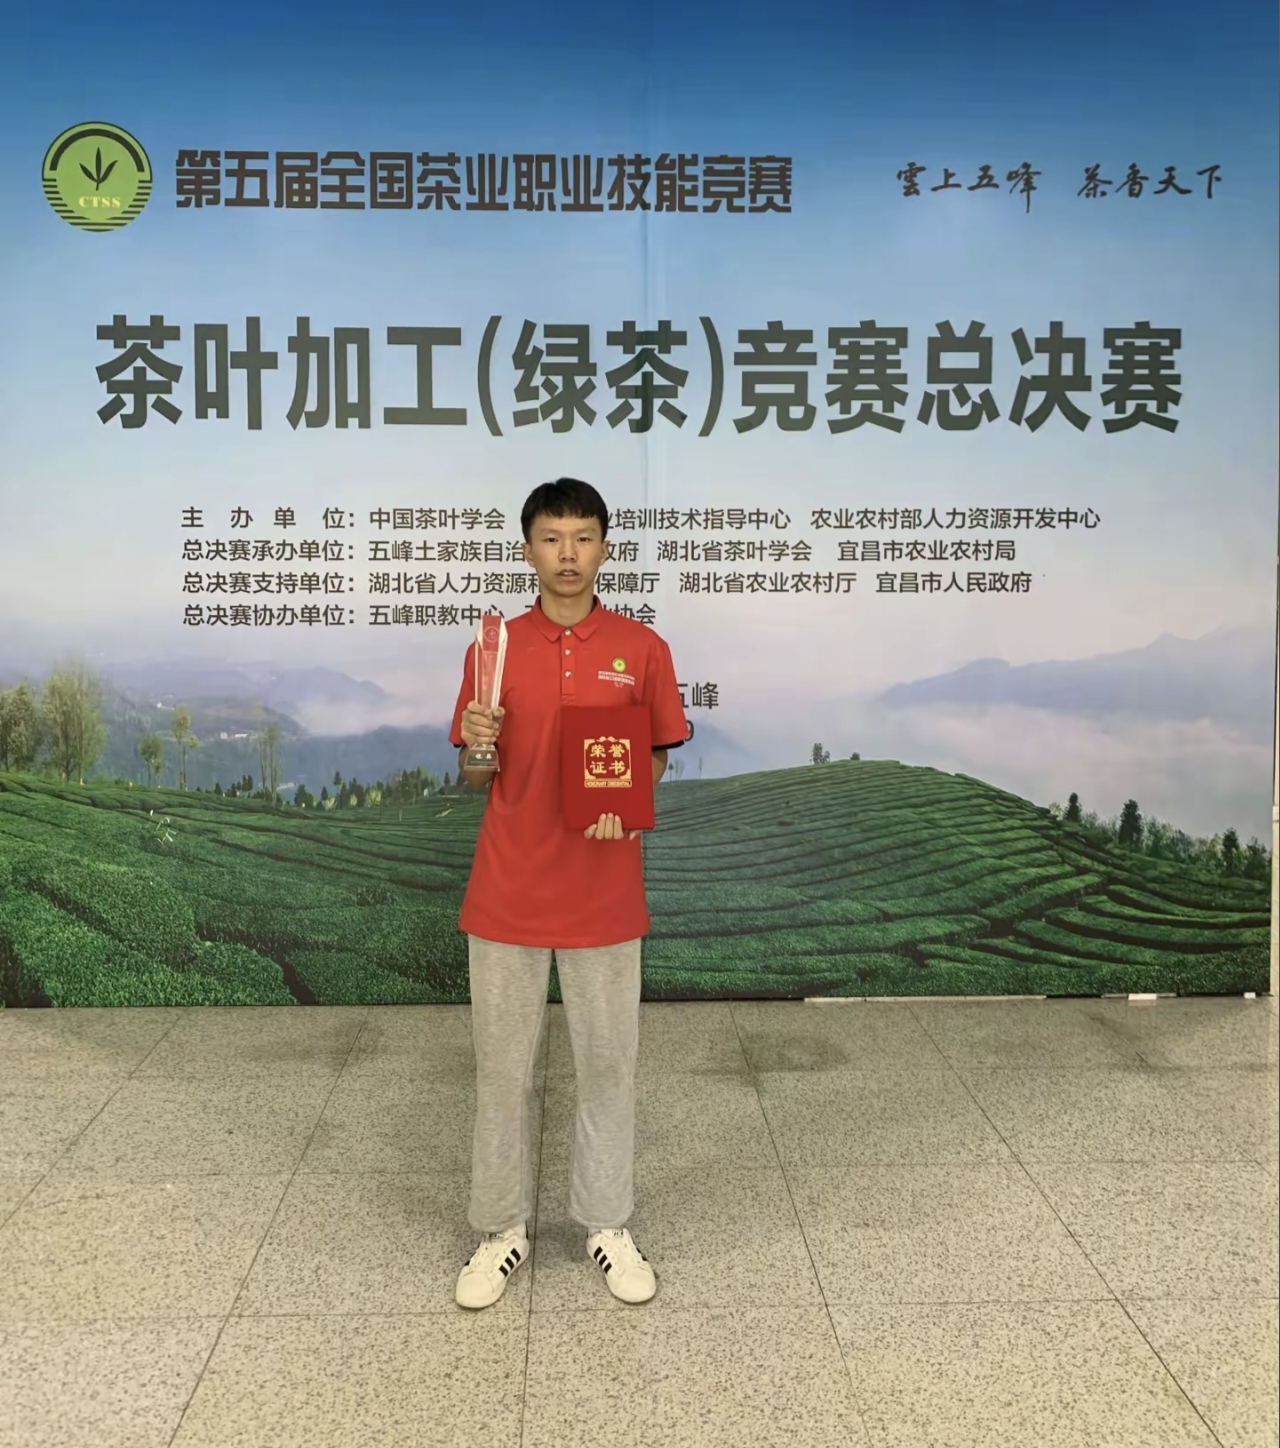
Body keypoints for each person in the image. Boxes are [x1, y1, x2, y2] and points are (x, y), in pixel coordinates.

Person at [450, 477, 688, 1310]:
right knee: (501, 1074)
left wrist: (629, 802)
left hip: (603, 895)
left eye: (583, 538)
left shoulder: (642, 648)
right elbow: (474, 775)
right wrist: (476, 745)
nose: (568, 555)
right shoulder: (493, 650)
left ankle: (606, 1224)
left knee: (608, 1070)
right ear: (527, 550)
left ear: (605, 549)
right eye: (551, 539)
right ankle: (499, 1230)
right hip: (508, 892)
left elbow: (656, 754)